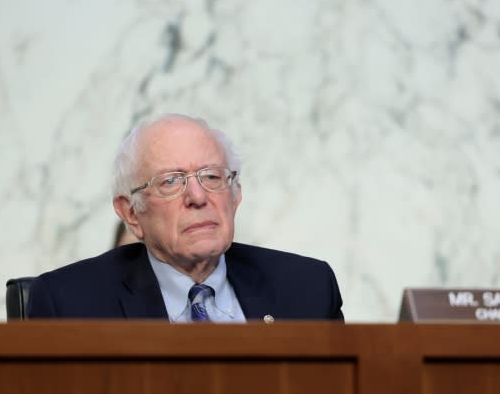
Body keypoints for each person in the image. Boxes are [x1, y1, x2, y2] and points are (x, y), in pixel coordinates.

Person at [27, 114, 344, 321]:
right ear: (130, 213)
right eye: (170, 182)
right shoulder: (68, 306)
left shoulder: (307, 288)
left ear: (236, 195)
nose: (198, 197)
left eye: (212, 177)